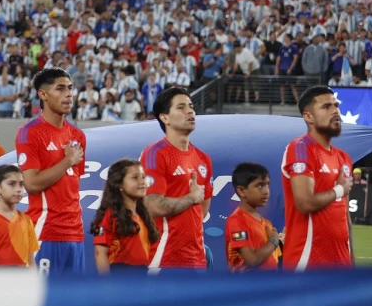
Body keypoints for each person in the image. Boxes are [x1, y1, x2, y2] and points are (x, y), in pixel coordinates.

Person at [17, 68, 88, 274]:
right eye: (60, 88)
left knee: (74, 303)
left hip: (75, 235)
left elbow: (72, 187)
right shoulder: (29, 132)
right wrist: (67, 160)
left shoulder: (78, 135)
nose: (68, 94)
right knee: (43, 302)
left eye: (70, 88)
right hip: (45, 231)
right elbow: (31, 184)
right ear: (43, 94)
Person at [281, 86, 353, 270]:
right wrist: (338, 189)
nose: (335, 110)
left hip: (340, 262)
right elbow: (304, 203)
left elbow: (345, 217)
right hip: (308, 261)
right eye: (326, 106)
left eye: (336, 105)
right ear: (308, 117)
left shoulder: (343, 158)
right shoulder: (300, 149)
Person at [139, 87, 211, 270]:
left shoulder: (203, 159)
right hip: (164, 260)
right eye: (181, 107)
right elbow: (154, 207)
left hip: (197, 260)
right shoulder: (154, 154)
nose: (190, 111)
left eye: (191, 106)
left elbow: (201, 211)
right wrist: (190, 198)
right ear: (165, 118)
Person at [90, 158, 158, 273]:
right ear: (119, 184)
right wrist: (106, 286)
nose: (142, 182)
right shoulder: (109, 215)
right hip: (120, 277)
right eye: (135, 177)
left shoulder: (143, 215)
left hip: (142, 276)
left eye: (143, 177)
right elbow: (100, 253)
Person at [225, 162, 282, 272]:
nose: (266, 191)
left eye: (267, 185)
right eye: (260, 186)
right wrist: (274, 241)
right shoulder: (236, 221)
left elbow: (274, 261)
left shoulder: (267, 223)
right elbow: (252, 259)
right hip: (246, 287)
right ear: (241, 191)